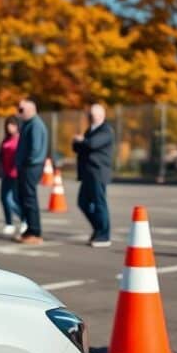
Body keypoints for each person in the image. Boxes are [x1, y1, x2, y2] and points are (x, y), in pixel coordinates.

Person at [72, 103, 115, 247]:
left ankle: (104, 235)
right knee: (82, 202)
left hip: (98, 172)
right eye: (90, 114)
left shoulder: (106, 130)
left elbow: (92, 145)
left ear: (101, 115)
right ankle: (98, 228)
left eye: (93, 114)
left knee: (99, 203)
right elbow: (78, 147)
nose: (91, 117)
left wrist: (81, 141)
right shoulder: (90, 130)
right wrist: (79, 142)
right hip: (87, 173)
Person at [14, 98, 48, 244]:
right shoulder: (28, 124)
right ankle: (29, 230)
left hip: (31, 167)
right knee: (24, 199)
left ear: (30, 110)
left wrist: (26, 163)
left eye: (21, 110)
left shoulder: (35, 124)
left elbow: (35, 149)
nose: (19, 112)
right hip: (26, 167)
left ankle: (35, 232)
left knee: (30, 199)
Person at [0, 115, 25, 236]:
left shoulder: (20, 139)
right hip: (6, 173)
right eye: (8, 125)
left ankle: (25, 219)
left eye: (12, 125)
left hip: (16, 174)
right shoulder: (6, 139)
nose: (9, 127)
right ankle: (9, 223)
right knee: (3, 198)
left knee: (13, 200)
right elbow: (1, 156)